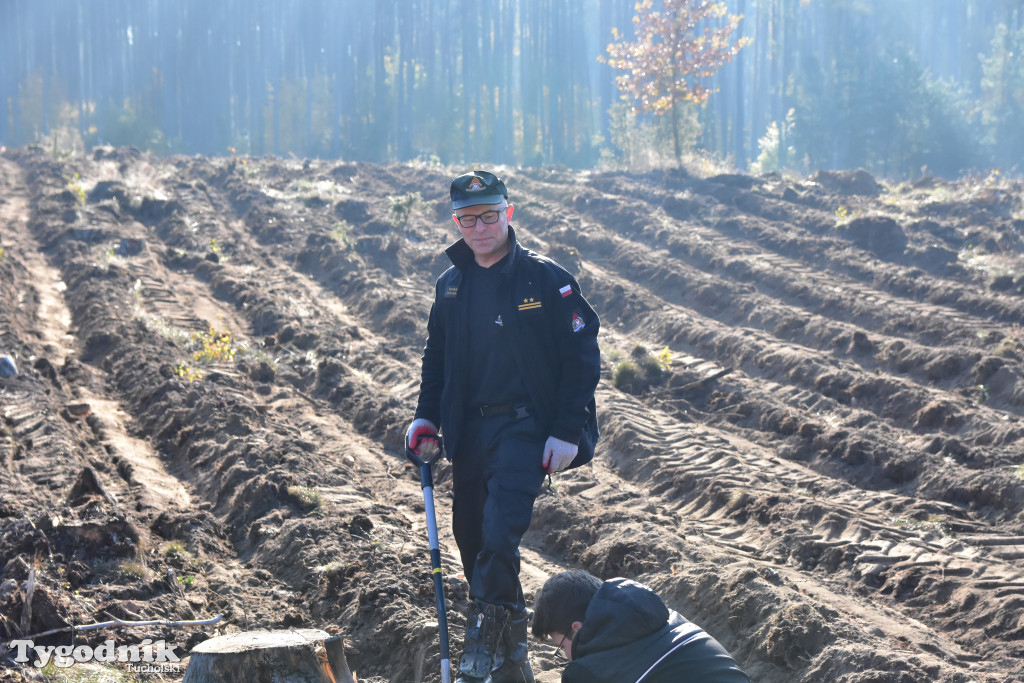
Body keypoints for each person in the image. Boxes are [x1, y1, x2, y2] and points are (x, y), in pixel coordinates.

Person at [406, 171, 601, 683]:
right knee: (471, 541)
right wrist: (426, 417)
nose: (480, 227)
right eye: (468, 219)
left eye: (490, 215)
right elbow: (437, 360)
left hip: (527, 428)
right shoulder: (450, 287)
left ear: (507, 213)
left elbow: (583, 356)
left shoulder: (544, 279)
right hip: (469, 434)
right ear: (457, 222)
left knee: (498, 535)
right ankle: (512, 664)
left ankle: (480, 661)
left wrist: (564, 429)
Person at [531, 570, 751, 683]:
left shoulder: (586, 672)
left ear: (577, 628)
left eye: (561, 646)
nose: (566, 657)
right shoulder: (672, 619)